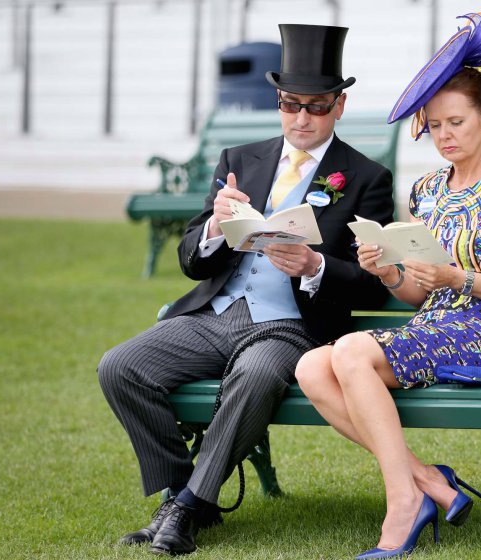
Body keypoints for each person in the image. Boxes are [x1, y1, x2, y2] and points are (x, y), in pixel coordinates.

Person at [98, 23, 394, 556]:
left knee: (255, 376)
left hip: (289, 327)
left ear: (339, 106)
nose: (301, 117)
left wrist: (313, 265)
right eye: (290, 103)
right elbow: (191, 258)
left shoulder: (367, 177)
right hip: (215, 314)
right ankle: (188, 492)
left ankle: (184, 510)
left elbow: (373, 286)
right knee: (120, 367)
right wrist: (214, 226)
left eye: (316, 106)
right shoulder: (240, 159)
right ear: (278, 102)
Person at [295, 12, 481, 559]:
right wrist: (389, 270)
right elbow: (419, 293)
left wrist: (459, 278)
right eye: (435, 126)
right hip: (436, 325)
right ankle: (428, 481)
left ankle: (402, 502)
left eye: (457, 122)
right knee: (310, 365)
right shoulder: (429, 190)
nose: (445, 136)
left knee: (353, 352)